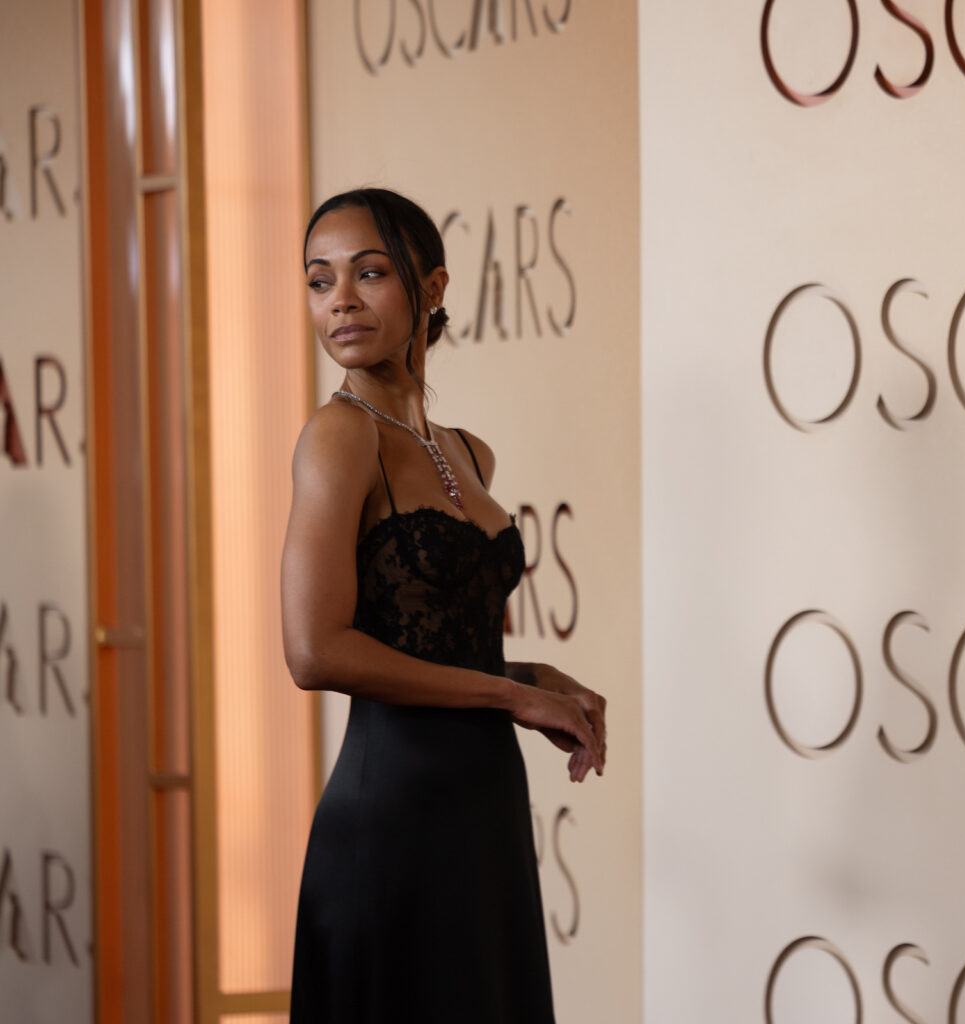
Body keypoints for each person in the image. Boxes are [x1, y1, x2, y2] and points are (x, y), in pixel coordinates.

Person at [282, 187, 606, 1023]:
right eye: (320, 281)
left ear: (431, 289)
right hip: (389, 823)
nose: (341, 300)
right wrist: (509, 694)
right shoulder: (337, 437)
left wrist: (539, 674)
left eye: (370, 273)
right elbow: (314, 650)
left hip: (480, 814)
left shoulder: (468, 454)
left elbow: (434, 643)